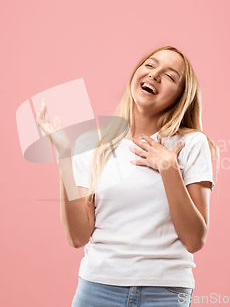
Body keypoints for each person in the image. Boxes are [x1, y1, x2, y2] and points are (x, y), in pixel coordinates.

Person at [36, 46, 219, 307]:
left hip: (165, 293)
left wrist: (169, 168)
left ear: (180, 97)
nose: (154, 75)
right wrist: (65, 155)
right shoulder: (95, 145)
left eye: (169, 76)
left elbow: (194, 239)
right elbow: (77, 237)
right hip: (97, 289)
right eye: (150, 65)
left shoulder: (191, 144)